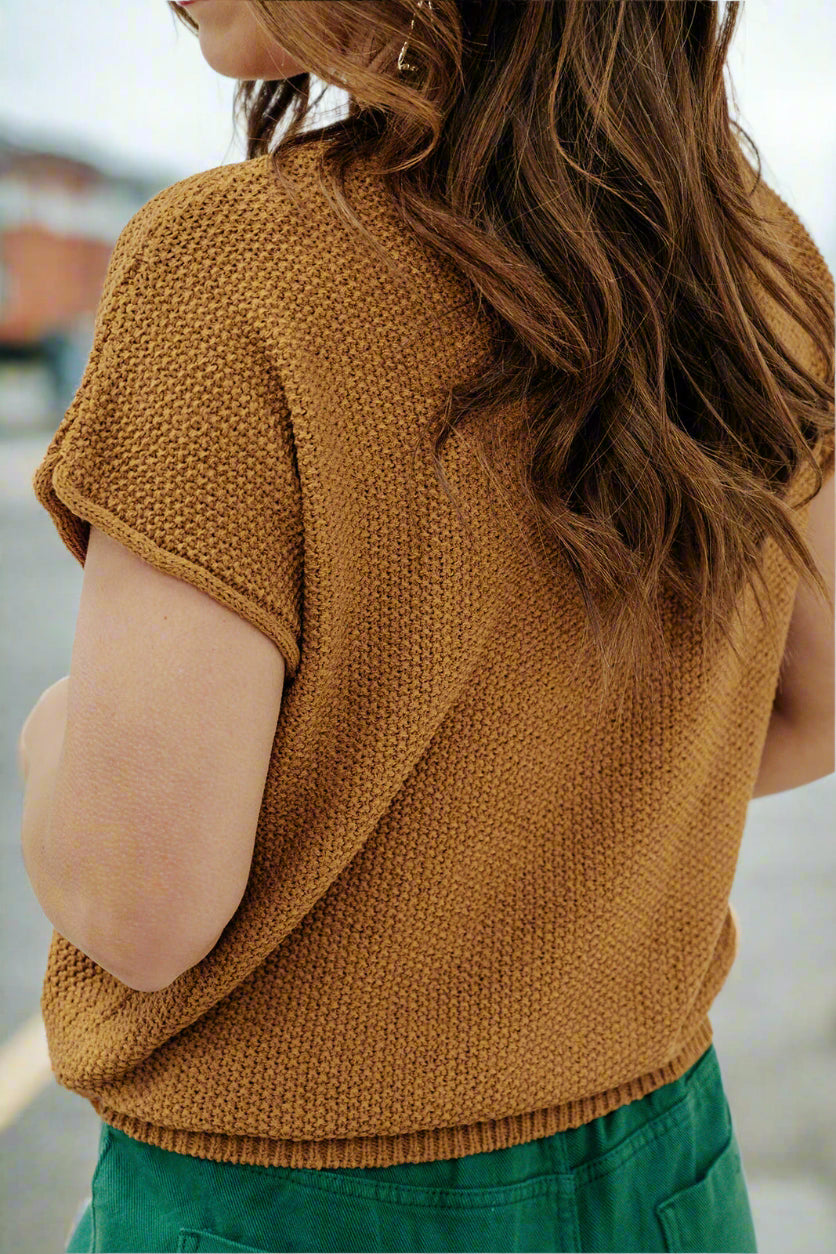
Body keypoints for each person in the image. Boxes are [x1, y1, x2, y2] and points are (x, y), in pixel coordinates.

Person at [18, 2, 833, 1251]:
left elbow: (140, 907)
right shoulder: (747, 256)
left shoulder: (229, 265)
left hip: (291, 1208)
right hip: (662, 1172)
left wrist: (53, 736)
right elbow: (811, 708)